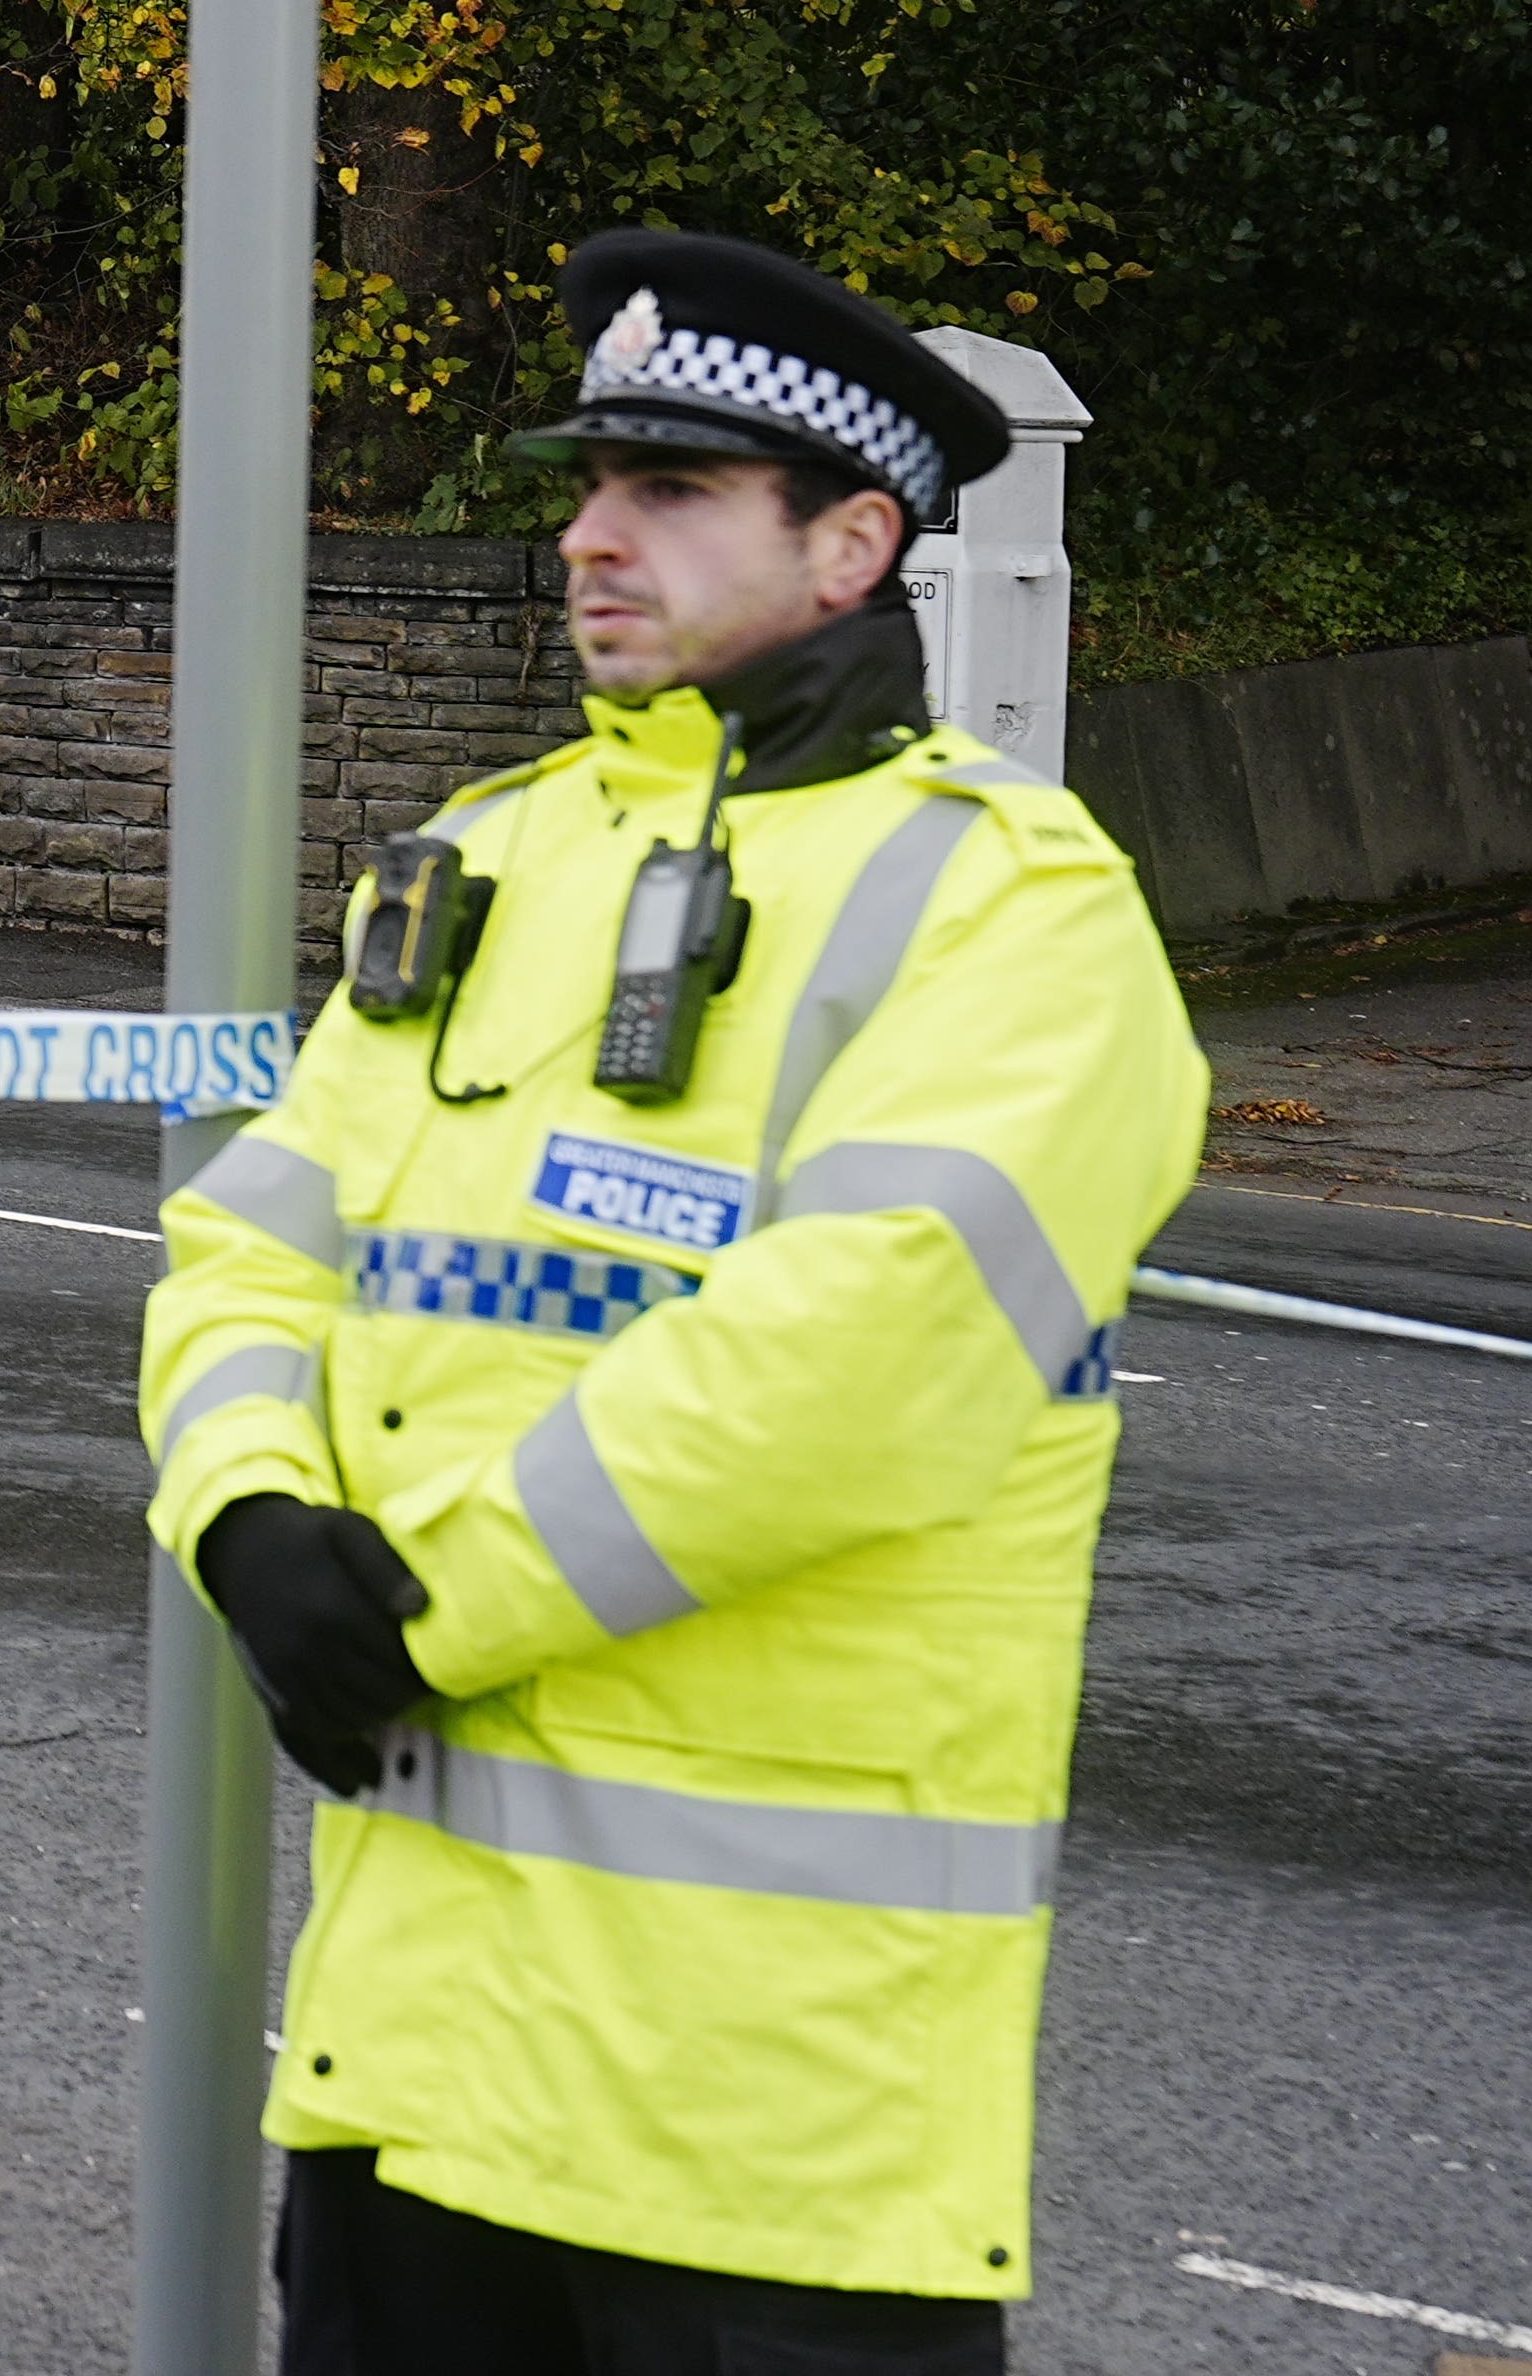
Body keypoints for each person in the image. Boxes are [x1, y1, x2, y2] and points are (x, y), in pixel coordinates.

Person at [140, 231, 1206, 2369]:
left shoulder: (1012, 907)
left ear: (855, 540)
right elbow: (252, 1241)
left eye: (671, 488)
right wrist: (250, 1519)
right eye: (590, 475)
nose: (588, 531)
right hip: (411, 2088)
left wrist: (409, 1608)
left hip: (769, 2147)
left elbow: (849, 1368)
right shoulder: (481, 860)